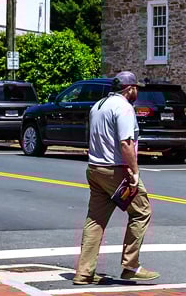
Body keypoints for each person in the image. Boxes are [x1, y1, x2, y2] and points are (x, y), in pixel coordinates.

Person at [74, 71, 159, 285]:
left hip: (95, 168)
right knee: (142, 212)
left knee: (95, 220)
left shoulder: (99, 105)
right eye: (136, 88)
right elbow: (126, 143)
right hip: (117, 170)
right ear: (129, 89)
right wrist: (134, 172)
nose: (137, 92)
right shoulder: (123, 108)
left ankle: (84, 273)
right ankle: (130, 265)